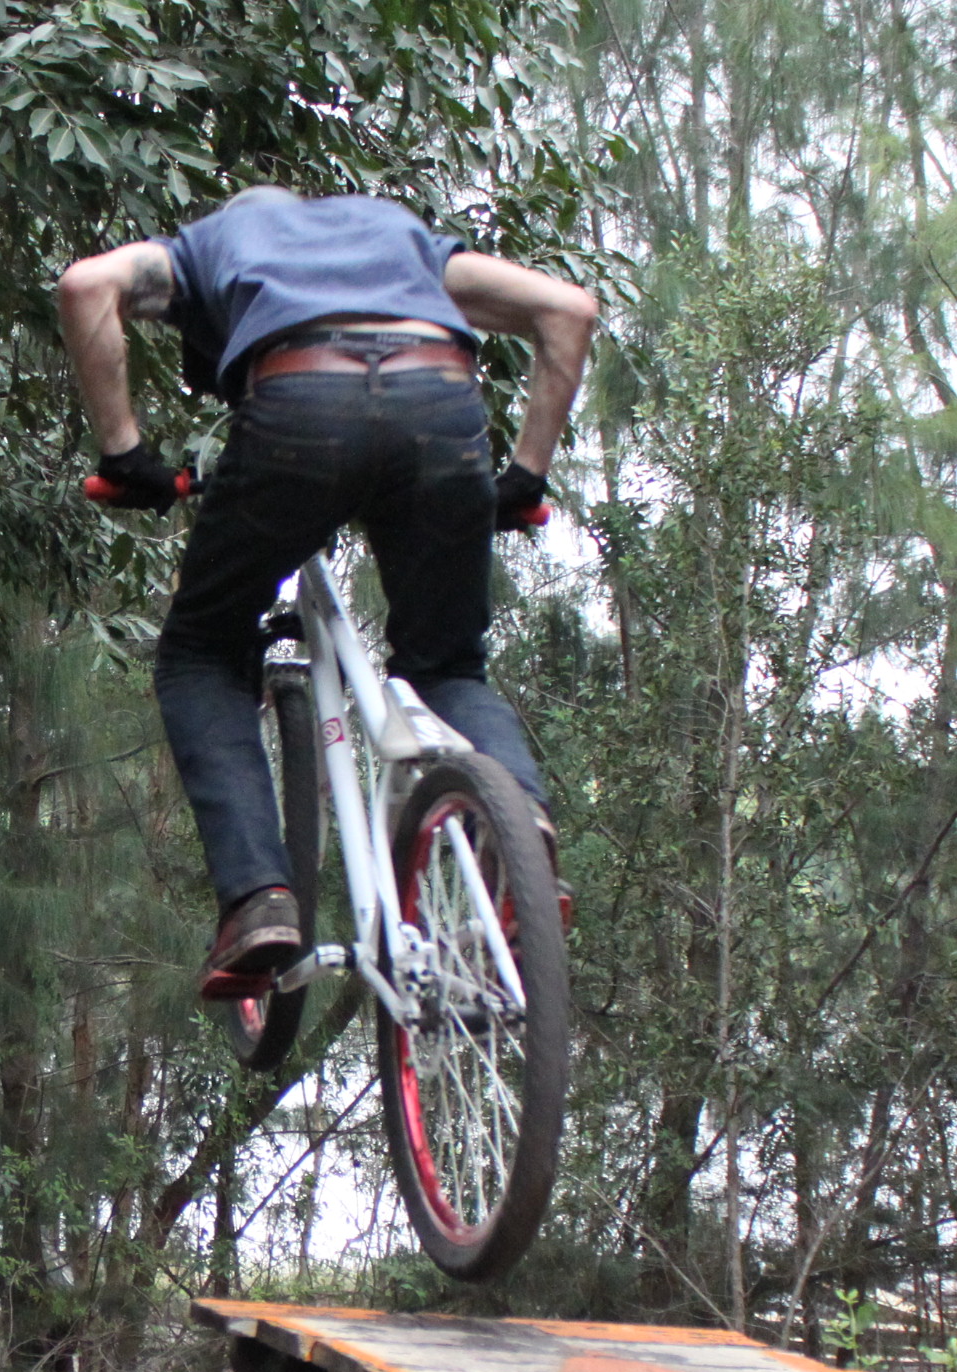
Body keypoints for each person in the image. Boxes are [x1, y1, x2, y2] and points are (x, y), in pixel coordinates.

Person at [55, 188, 600, 998]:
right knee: (448, 666)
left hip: (296, 407)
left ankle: (259, 900)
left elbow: (83, 287)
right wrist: (522, 479)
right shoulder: (399, 234)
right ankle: (519, 826)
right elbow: (569, 311)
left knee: (201, 653)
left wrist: (127, 454)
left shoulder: (211, 243)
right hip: (440, 402)